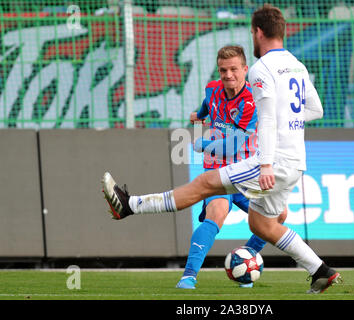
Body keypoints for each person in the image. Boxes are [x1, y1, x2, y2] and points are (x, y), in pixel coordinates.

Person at [103, 4, 341, 294]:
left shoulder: (261, 68)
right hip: (296, 162)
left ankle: (131, 205)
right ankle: (320, 270)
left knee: (205, 184)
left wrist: (265, 163)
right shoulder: (297, 65)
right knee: (262, 224)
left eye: (252, 32)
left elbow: (265, 119)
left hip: (273, 161)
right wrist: (286, 120)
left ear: (258, 32)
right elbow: (316, 109)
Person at [176, 45, 287, 289]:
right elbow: (208, 105)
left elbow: (233, 145)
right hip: (218, 171)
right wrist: (199, 114)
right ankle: (188, 276)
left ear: (245, 70)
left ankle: (243, 259)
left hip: (246, 170)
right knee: (217, 212)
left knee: (279, 215)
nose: (228, 75)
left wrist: (201, 143)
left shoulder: (252, 101)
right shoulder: (212, 89)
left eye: (234, 69)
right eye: (223, 70)